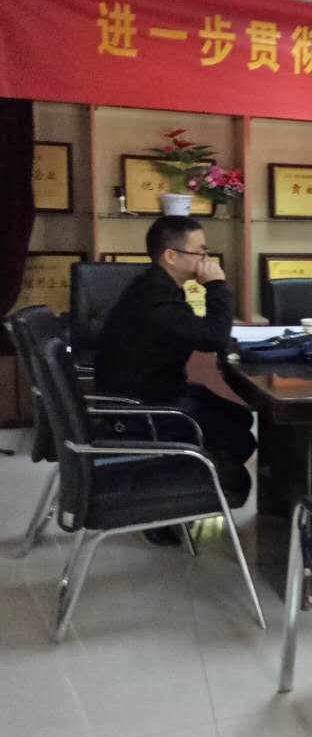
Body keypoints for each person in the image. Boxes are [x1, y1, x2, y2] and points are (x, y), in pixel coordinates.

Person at [95, 216, 255, 544]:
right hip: (142, 409)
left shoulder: (156, 286)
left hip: (157, 392)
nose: (206, 259)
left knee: (241, 418)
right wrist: (217, 286)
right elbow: (211, 337)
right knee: (238, 438)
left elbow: (197, 332)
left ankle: (185, 490)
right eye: (200, 251)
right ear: (171, 255)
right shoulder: (155, 298)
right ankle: (169, 505)